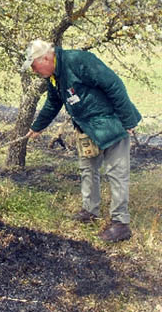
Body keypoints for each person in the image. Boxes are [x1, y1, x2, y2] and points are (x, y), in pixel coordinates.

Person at [23, 40, 142, 242]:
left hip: (110, 123)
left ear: (45, 58)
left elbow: (114, 85)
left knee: (116, 172)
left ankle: (121, 224)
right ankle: (90, 212)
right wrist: (38, 126)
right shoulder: (53, 76)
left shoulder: (79, 60)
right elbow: (53, 102)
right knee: (87, 169)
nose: (34, 71)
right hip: (86, 128)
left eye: (34, 66)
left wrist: (128, 119)